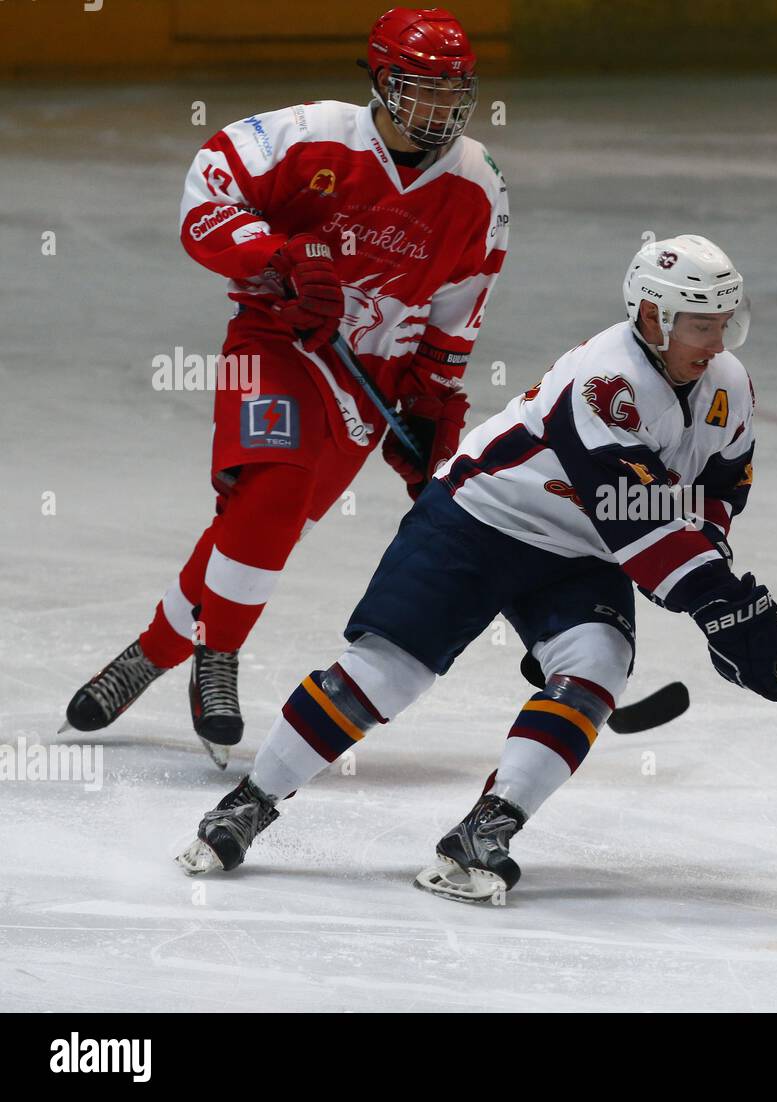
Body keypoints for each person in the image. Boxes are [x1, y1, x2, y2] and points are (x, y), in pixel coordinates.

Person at [177, 234, 777, 899]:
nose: (718, 341)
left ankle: (485, 830)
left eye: (725, 322)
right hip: (478, 522)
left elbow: (716, 489)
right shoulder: (606, 380)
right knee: (389, 675)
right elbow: (640, 520)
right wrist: (715, 600)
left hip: (580, 553)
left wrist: (721, 593)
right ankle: (250, 801)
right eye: (702, 325)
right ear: (653, 318)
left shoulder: (727, 385)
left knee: (595, 665)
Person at [62, 8, 509, 766]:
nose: (438, 109)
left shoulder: (478, 187)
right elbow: (206, 194)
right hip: (273, 344)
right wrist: (277, 260)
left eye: (451, 91)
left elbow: (459, 309)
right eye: (420, 88)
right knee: (273, 489)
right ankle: (220, 660)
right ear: (378, 79)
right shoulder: (311, 136)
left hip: (368, 382)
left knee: (258, 531)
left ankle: (152, 651)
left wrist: (434, 401)